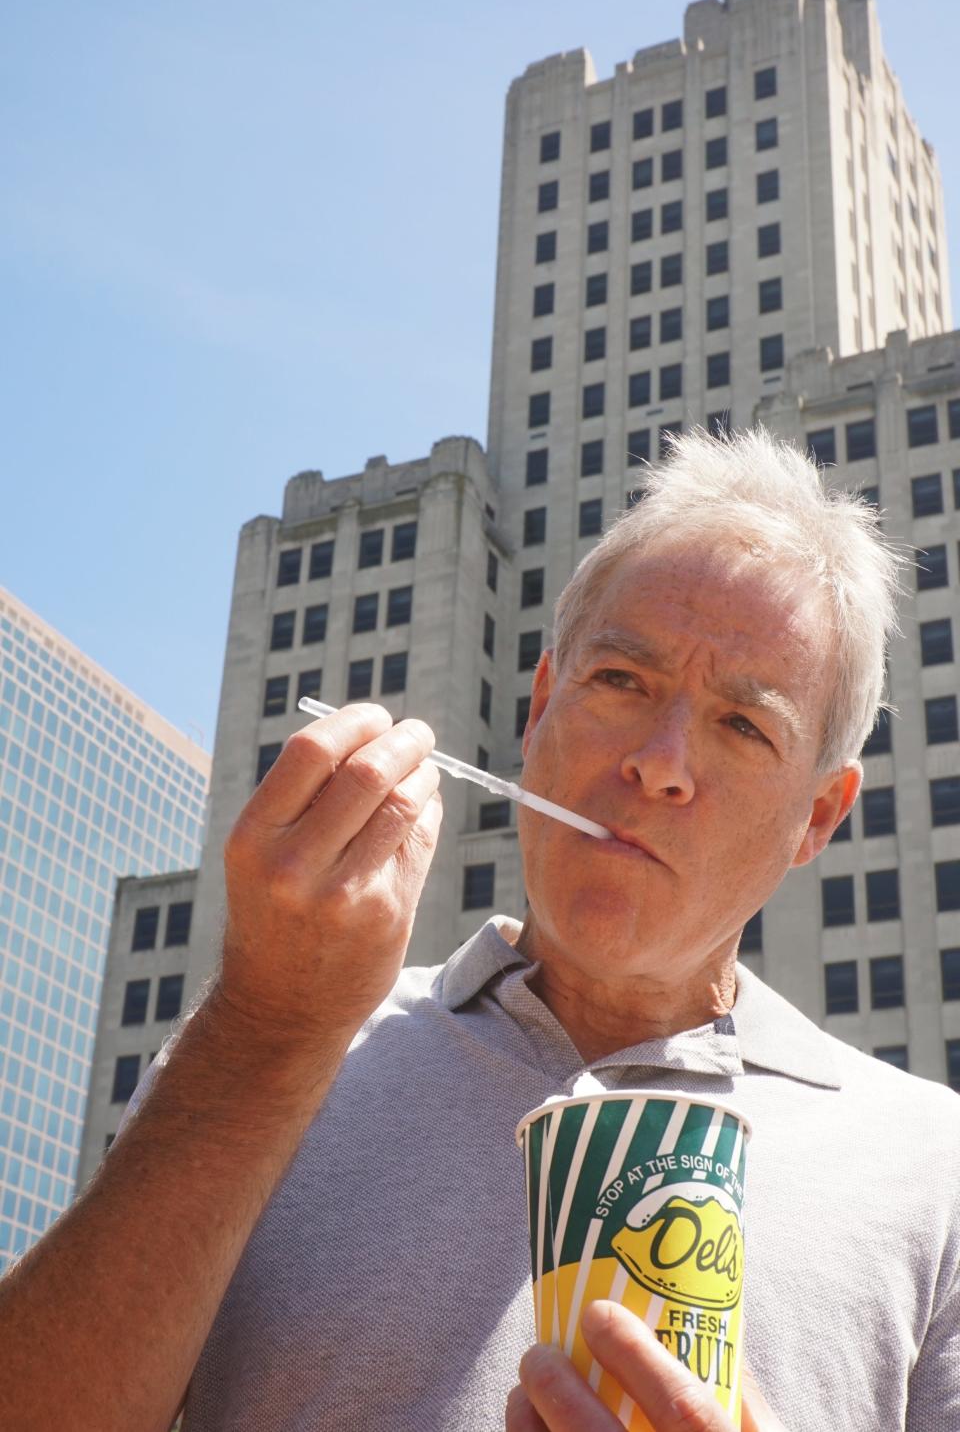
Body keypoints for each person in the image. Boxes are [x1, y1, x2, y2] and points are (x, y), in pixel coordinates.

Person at [1, 428, 958, 1432]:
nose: (661, 762)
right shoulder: (271, 1042)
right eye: (621, 682)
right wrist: (265, 1033)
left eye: (742, 726)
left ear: (818, 816)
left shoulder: (930, 1168)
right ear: (541, 707)